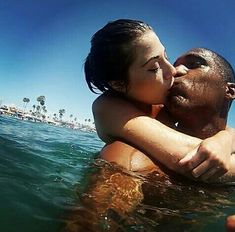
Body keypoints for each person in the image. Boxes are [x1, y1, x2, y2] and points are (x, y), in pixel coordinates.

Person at [85, 19, 234, 182]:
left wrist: (225, 139)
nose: (173, 70)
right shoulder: (109, 109)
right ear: (119, 84)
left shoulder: (164, 107)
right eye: (154, 67)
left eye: (166, 57)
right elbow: (192, 158)